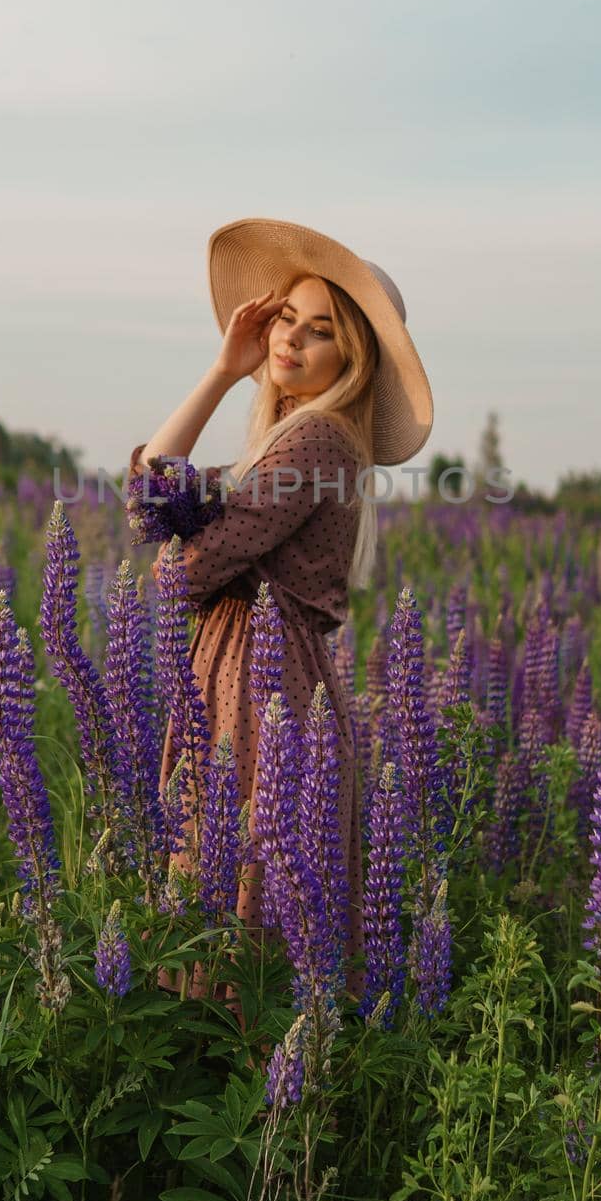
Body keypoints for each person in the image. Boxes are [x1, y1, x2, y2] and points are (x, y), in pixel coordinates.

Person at [126, 218, 433, 1023]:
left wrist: (176, 549)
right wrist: (223, 371)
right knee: (221, 890)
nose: (291, 339)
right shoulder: (285, 442)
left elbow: (184, 567)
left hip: (262, 686)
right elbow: (148, 498)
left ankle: (272, 1116)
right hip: (234, 673)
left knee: (249, 910)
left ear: (351, 360)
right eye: (286, 319)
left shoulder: (320, 444)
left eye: (320, 331)